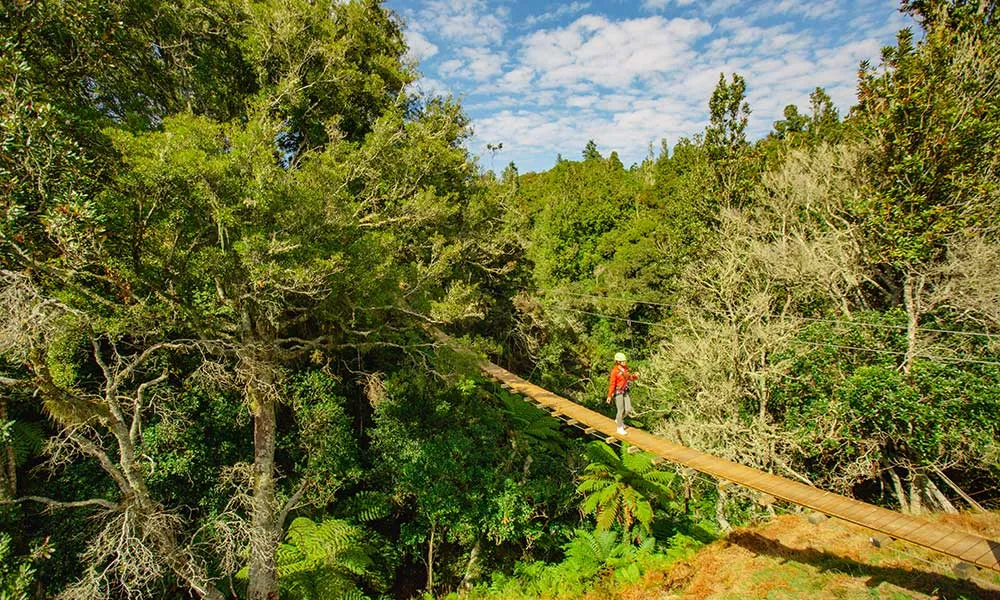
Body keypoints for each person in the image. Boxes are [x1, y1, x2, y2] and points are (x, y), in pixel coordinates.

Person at [606, 352, 638, 435]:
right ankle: (619, 428)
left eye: (625, 361)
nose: (625, 362)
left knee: (628, 409)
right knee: (621, 410)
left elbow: (629, 378)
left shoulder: (626, 369)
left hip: (625, 390)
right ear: (618, 362)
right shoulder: (614, 371)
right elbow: (612, 384)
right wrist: (609, 396)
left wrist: (635, 376)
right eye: (623, 361)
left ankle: (619, 420)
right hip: (618, 392)